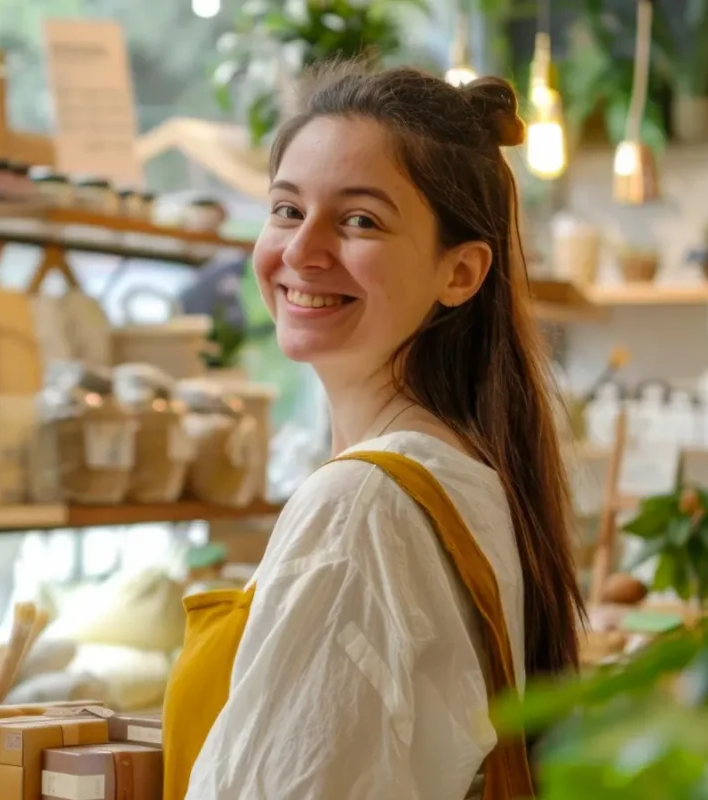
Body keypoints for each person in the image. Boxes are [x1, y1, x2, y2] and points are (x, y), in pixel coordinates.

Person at [161, 62, 583, 800]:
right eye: (287, 209)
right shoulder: (461, 471)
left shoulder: (361, 505)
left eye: (359, 220)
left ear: (460, 272)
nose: (301, 251)